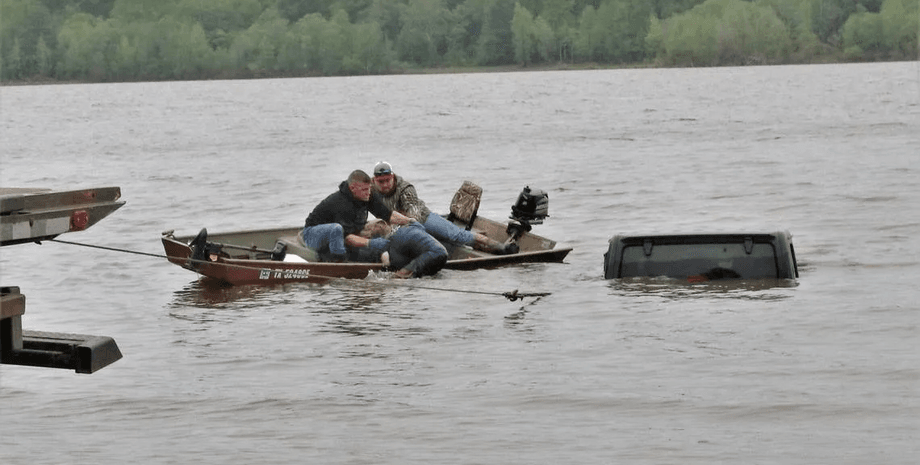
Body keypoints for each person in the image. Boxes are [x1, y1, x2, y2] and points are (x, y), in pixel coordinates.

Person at [371, 161, 517, 255]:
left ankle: (499, 246)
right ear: (374, 180)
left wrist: (397, 224)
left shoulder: (405, 188)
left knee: (456, 235)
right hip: (398, 226)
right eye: (381, 181)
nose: (385, 184)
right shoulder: (370, 191)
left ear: (393, 177)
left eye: (388, 180)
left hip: (423, 219)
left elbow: (414, 214)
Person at [302, 170, 412, 262]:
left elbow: (389, 215)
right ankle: (339, 261)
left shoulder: (367, 194)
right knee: (336, 230)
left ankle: (388, 253)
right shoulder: (341, 204)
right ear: (353, 188)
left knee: (381, 225)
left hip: (348, 231)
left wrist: (411, 221)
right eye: (364, 190)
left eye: (369, 188)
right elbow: (347, 238)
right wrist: (372, 243)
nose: (368, 192)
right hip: (313, 234)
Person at [355, 219, 448, 278]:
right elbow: (414, 221)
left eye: (368, 229)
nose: (367, 233)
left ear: (381, 225)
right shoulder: (412, 226)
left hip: (430, 255)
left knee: (396, 277)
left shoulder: (389, 240)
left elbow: (388, 261)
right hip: (442, 253)